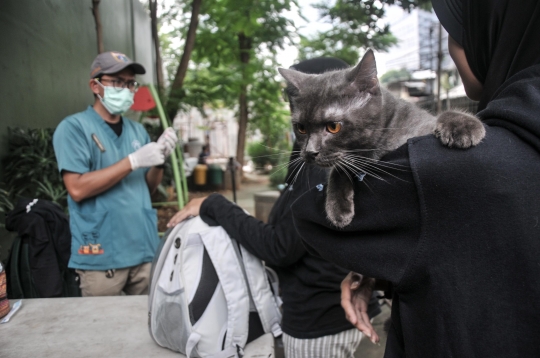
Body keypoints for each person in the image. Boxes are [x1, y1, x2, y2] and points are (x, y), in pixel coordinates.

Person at [291, 0, 540, 357]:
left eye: (457, 35)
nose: (453, 50)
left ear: (492, 35)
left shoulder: (441, 172)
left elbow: (311, 218)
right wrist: (382, 270)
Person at [167, 58, 381, 357]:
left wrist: (214, 204)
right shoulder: (325, 151)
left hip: (320, 320)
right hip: (329, 310)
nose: (293, 104)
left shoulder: (324, 163)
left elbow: (280, 247)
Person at [53, 51, 178, 297]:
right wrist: (132, 161)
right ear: (95, 86)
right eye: (117, 82)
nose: (126, 88)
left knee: (146, 326)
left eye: (130, 83)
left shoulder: (137, 131)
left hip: (143, 249)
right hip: (102, 255)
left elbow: (147, 188)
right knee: (101, 331)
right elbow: (77, 189)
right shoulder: (74, 128)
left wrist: (159, 160)